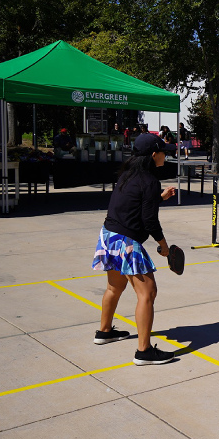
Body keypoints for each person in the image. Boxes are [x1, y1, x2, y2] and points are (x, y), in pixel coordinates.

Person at [91, 133, 178, 365]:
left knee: (114, 287)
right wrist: (163, 245)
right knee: (147, 293)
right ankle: (144, 351)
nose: (165, 155)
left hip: (108, 236)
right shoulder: (149, 180)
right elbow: (149, 221)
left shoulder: (127, 175)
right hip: (126, 241)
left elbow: (136, 204)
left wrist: (160, 198)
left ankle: (105, 332)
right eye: (164, 152)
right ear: (154, 155)